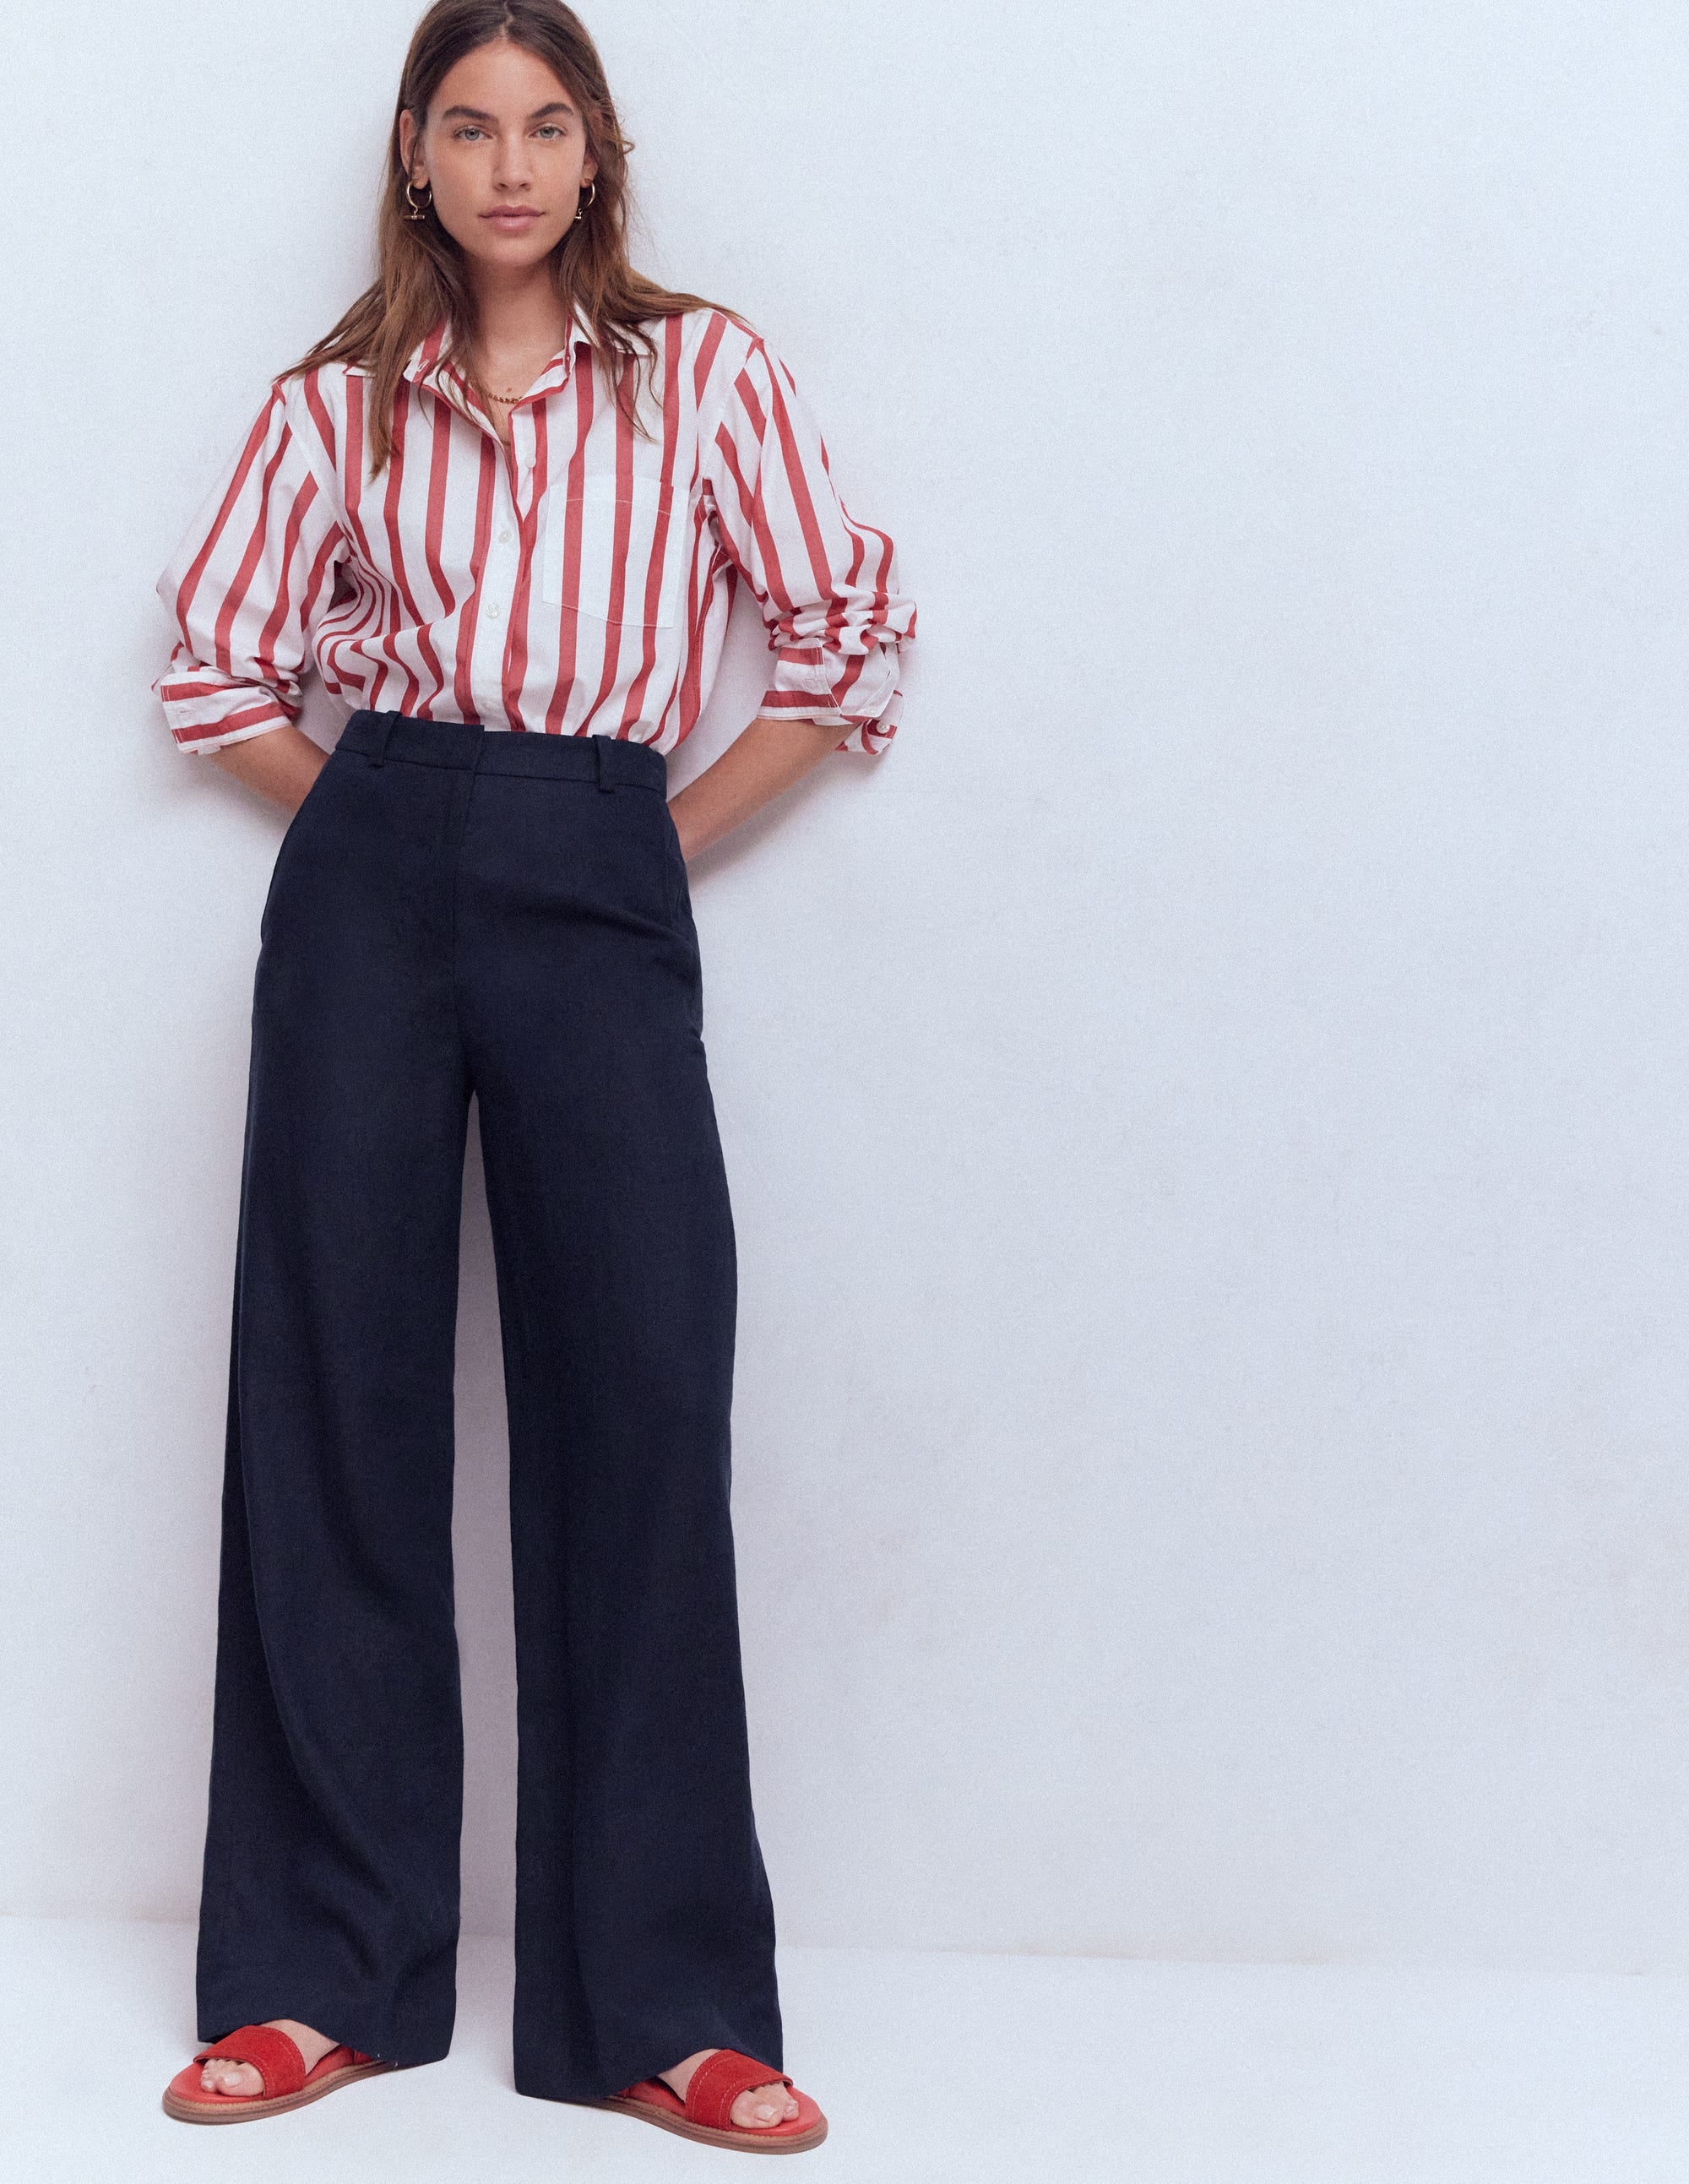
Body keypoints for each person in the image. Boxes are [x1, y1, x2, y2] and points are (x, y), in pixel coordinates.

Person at [149, 0, 914, 2152]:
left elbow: (846, 635)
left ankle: (665, 2005)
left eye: (546, 125)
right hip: (372, 866)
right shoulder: (336, 407)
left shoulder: (706, 372)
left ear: (598, 156)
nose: (508, 164)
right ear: (414, 155)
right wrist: (380, 825)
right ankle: (317, 1977)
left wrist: (633, 845)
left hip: (601, 859)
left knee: (643, 1404)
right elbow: (212, 666)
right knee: (335, 1404)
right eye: (468, 126)